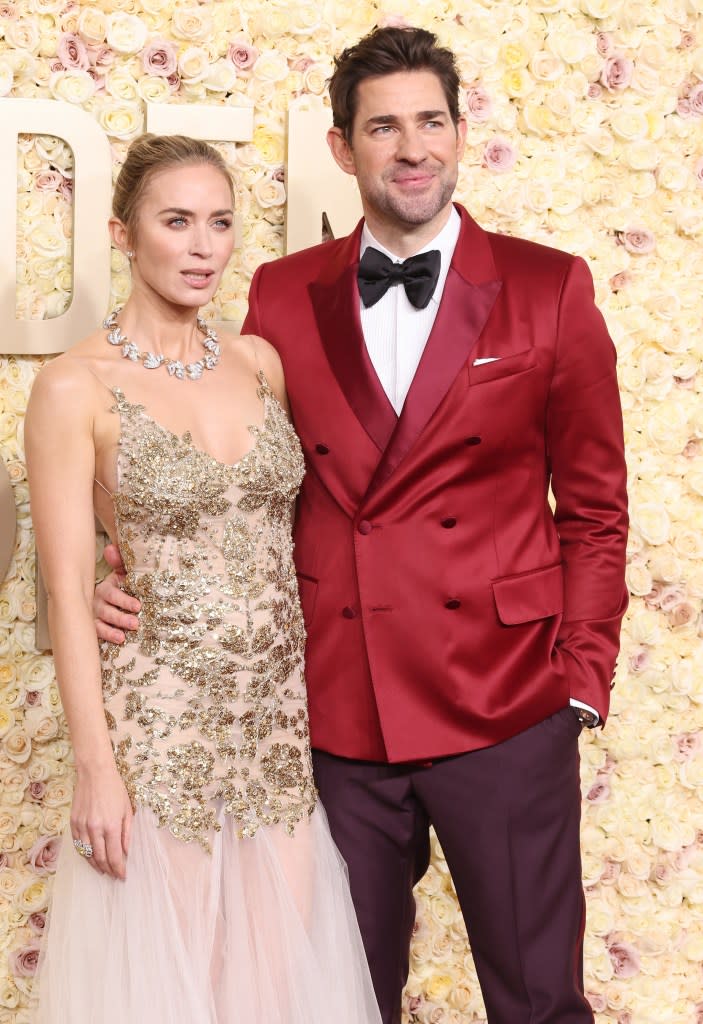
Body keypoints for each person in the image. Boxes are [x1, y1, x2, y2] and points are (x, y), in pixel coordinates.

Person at [94, 27, 629, 1024]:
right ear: (343, 148)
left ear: (460, 134)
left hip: (507, 706)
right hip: (338, 715)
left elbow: (595, 507)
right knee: (338, 1001)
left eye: (430, 121)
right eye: (383, 127)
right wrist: (123, 568)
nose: (411, 147)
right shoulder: (281, 296)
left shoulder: (550, 287)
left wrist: (580, 684)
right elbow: (235, 478)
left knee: (539, 1001)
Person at [25, 133, 381, 1024]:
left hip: (273, 723)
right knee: (173, 987)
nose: (201, 247)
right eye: (175, 221)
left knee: (273, 980)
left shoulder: (258, 362)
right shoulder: (75, 387)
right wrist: (95, 768)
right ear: (123, 233)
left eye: (219, 224)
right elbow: (68, 585)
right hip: (159, 726)